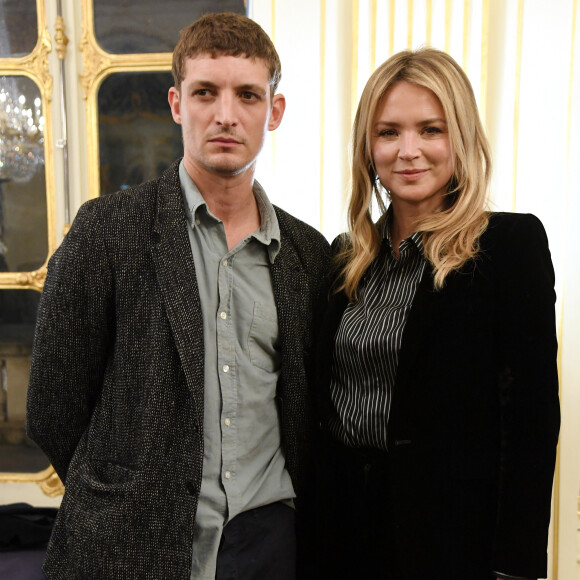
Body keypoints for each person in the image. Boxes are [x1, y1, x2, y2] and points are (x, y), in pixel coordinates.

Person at [27, 12, 329, 580]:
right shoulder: (107, 230)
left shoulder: (308, 253)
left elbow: (306, 410)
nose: (225, 115)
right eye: (205, 92)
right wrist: (121, 496)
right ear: (175, 103)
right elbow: (52, 404)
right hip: (132, 543)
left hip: (267, 541)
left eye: (247, 95)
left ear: (275, 111)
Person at [316, 48, 559, 580]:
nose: (409, 151)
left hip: (453, 542)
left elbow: (532, 422)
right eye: (388, 132)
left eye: (430, 129)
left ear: (461, 138)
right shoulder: (344, 259)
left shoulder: (509, 247)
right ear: (368, 146)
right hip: (344, 535)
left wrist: (516, 564)